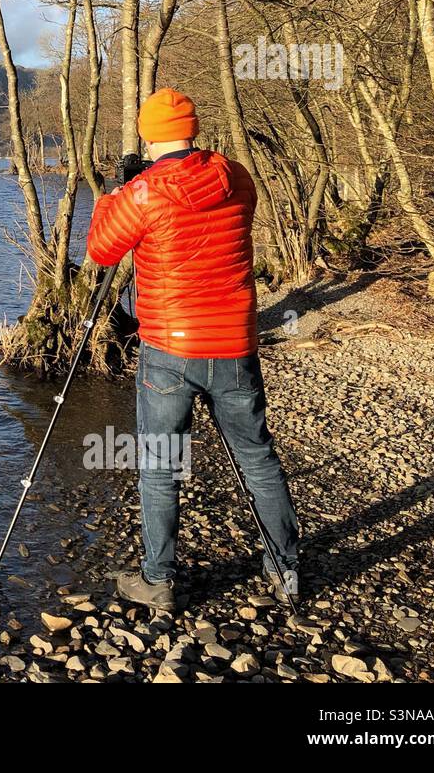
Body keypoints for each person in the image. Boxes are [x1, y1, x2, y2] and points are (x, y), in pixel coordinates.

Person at [86, 88, 299, 612]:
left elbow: (100, 249)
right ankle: (285, 572)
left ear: (146, 133)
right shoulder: (237, 177)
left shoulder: (144, 192)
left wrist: (120, 189)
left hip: (169, 348)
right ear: (194, 127)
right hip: (233, 342)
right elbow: (216, 211)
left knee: (160, 465)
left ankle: (158, 580)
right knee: (258, 459)